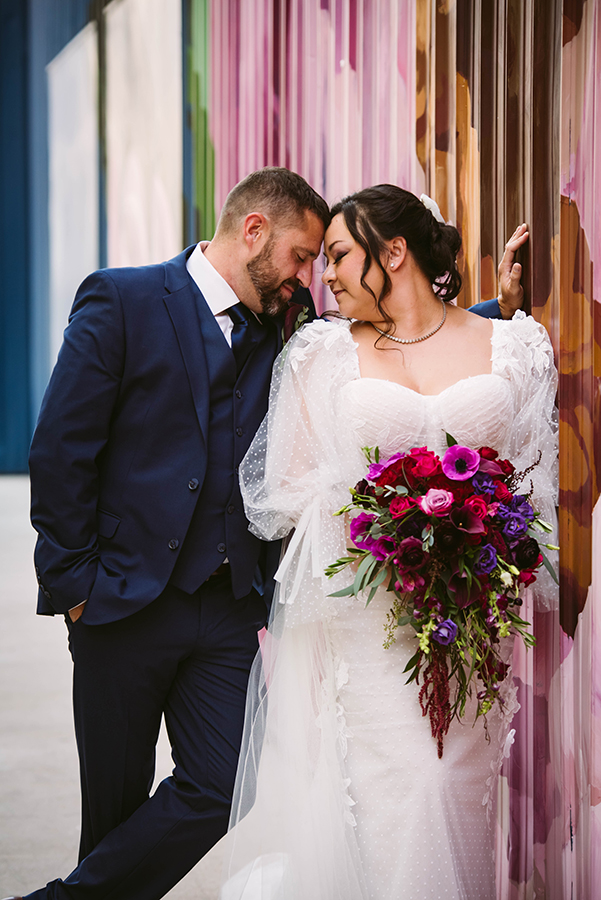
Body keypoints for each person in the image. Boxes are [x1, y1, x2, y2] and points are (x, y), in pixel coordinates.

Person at [7, 165, 523, 900]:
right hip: (118, 601)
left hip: (224, 606)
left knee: (223, 785)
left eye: (319, 261)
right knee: (115, 817)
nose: (306, 276)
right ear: (254, 231)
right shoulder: (122, 299)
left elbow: (401, 344)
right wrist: (74, 586)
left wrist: (494, 314)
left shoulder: (291, 320)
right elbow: (60, 450)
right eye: (300, 256)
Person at [220, 186, 558, 899]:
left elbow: (537, 485)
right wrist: (382, 516)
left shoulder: (511, 342)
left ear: (394, 251)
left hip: (471, 617)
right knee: (399, 790)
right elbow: (281, 494)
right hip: (370, 626)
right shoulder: (321, 354)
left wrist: (476, 533)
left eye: (339, 254)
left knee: (454, 790)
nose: (327, 275)